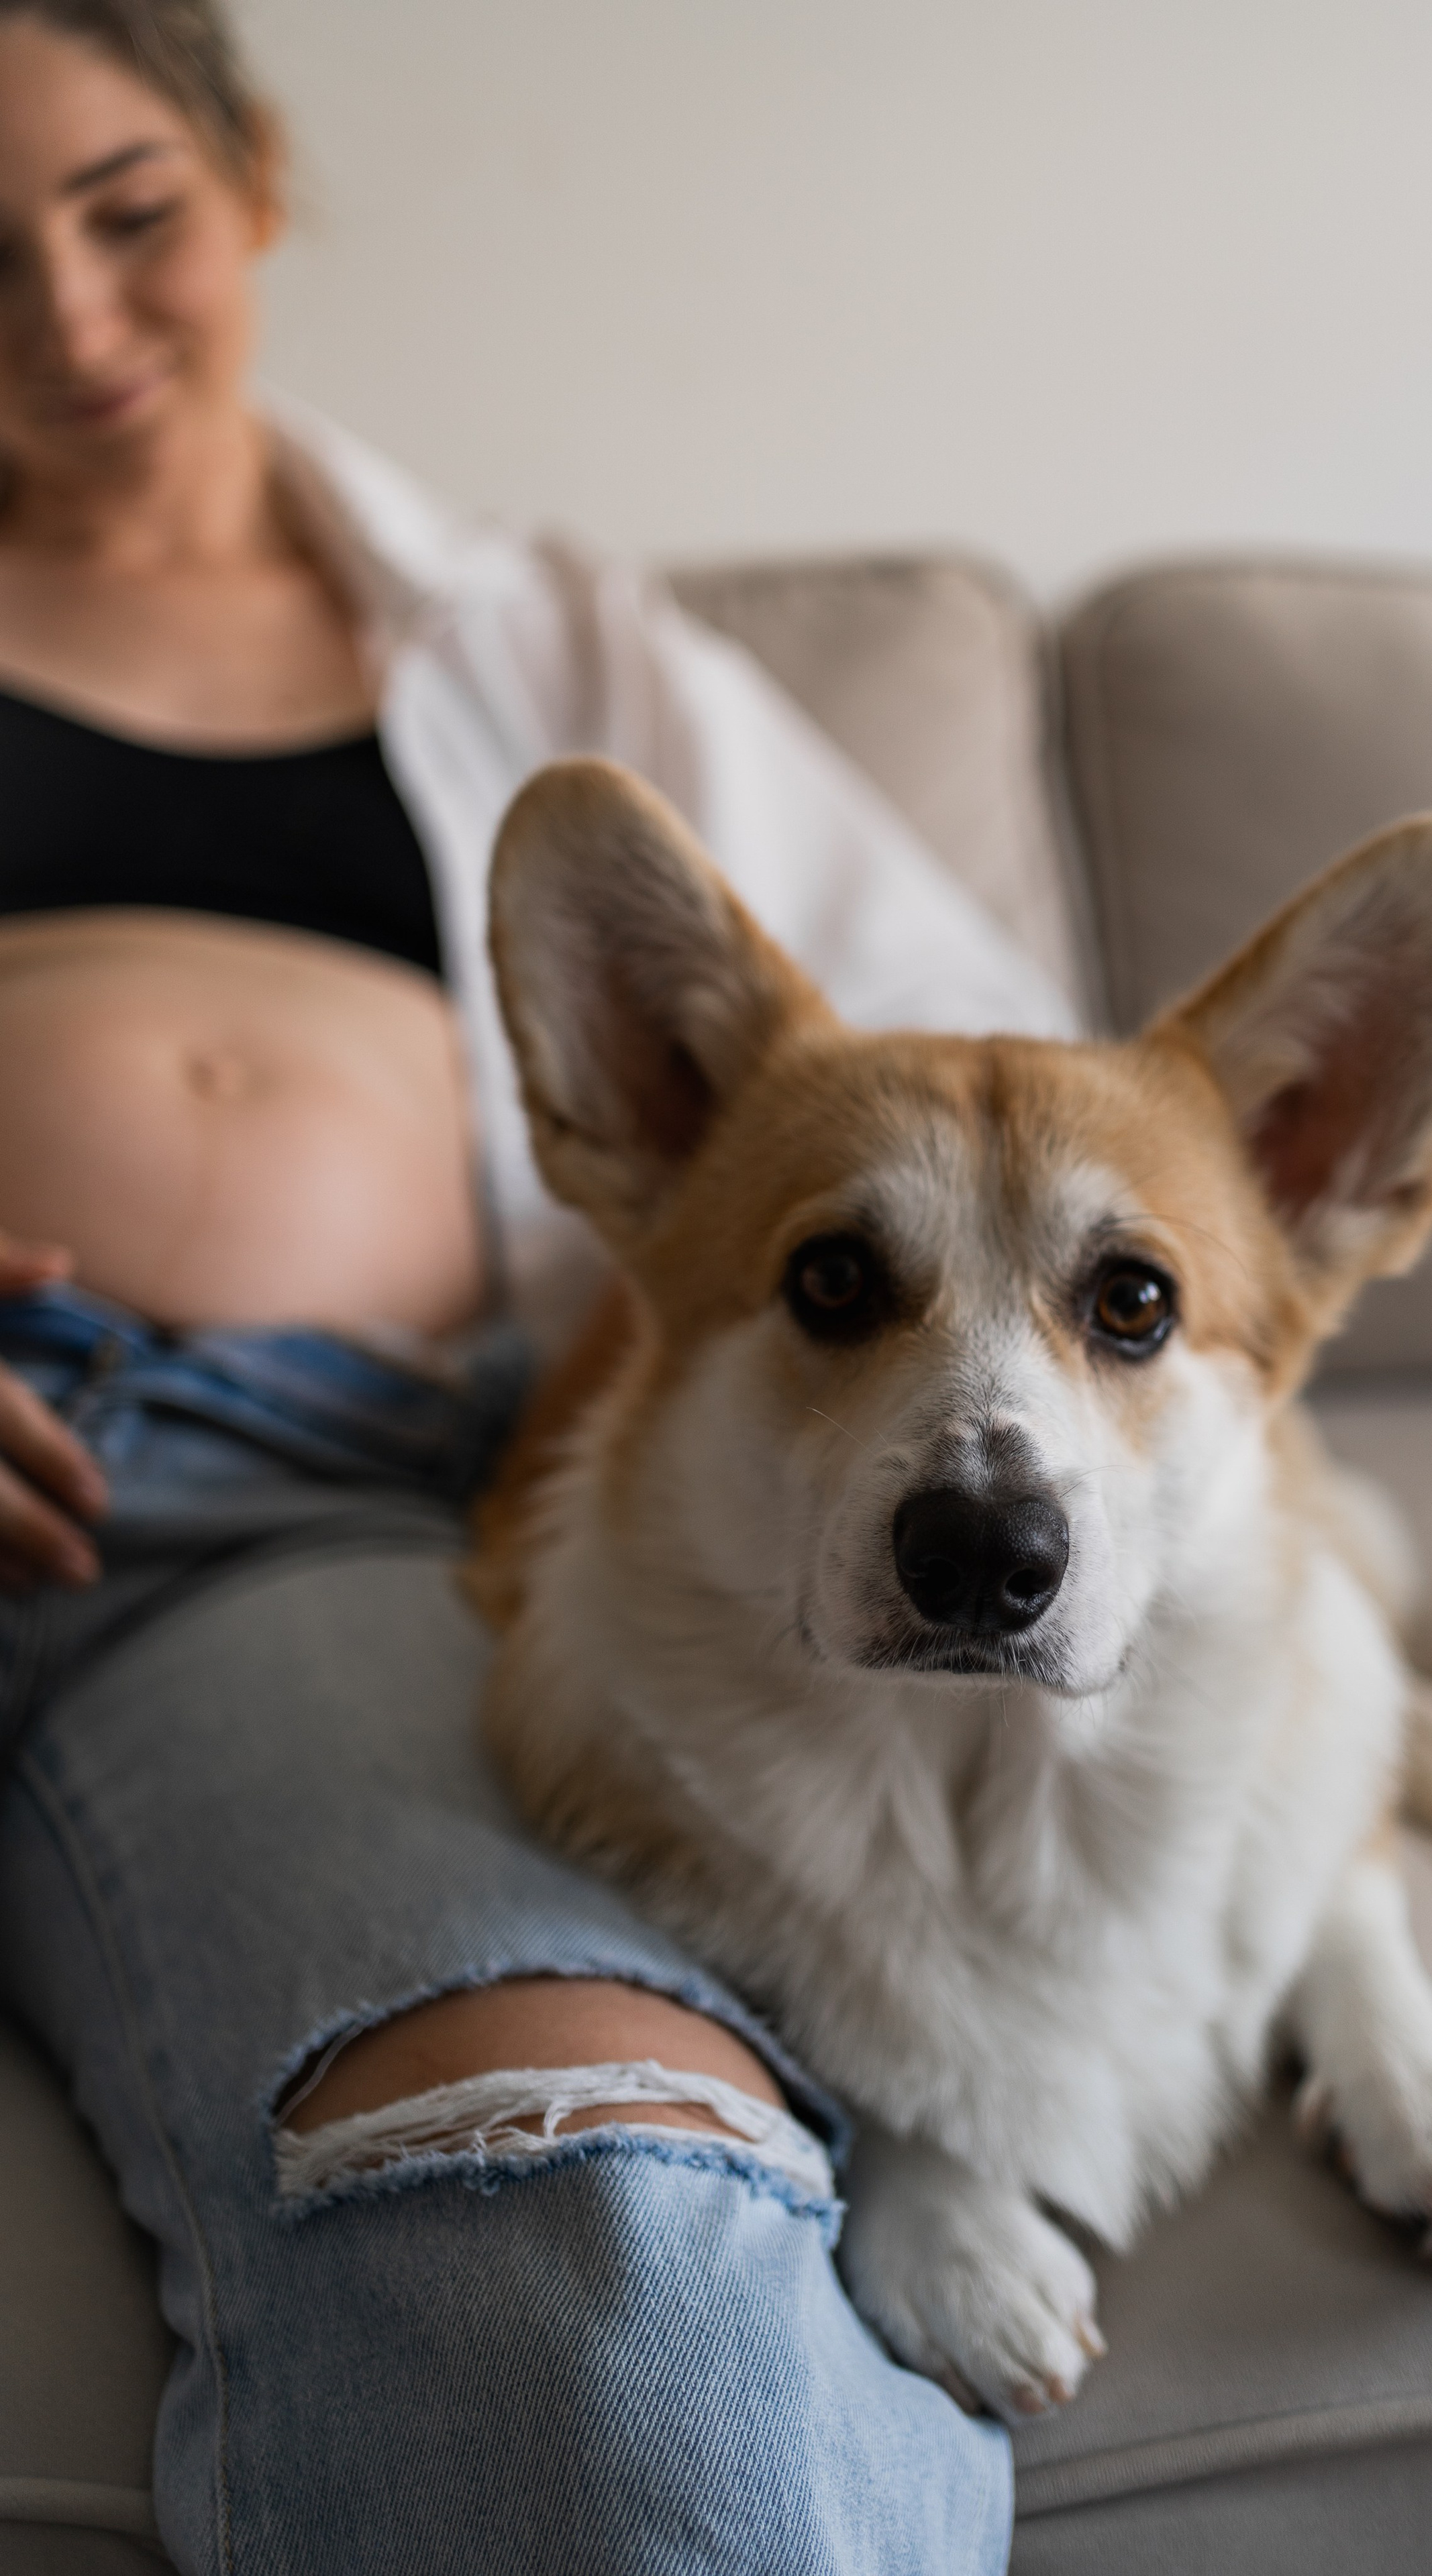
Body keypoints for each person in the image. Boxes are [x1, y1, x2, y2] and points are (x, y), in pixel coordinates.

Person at [0, 6, 1074, 2570]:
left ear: (260, 179)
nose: (60, 311)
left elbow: (993, 1108)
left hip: (293, 1529)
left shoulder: (550, 647)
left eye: (127, 206)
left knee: (580, 2233)